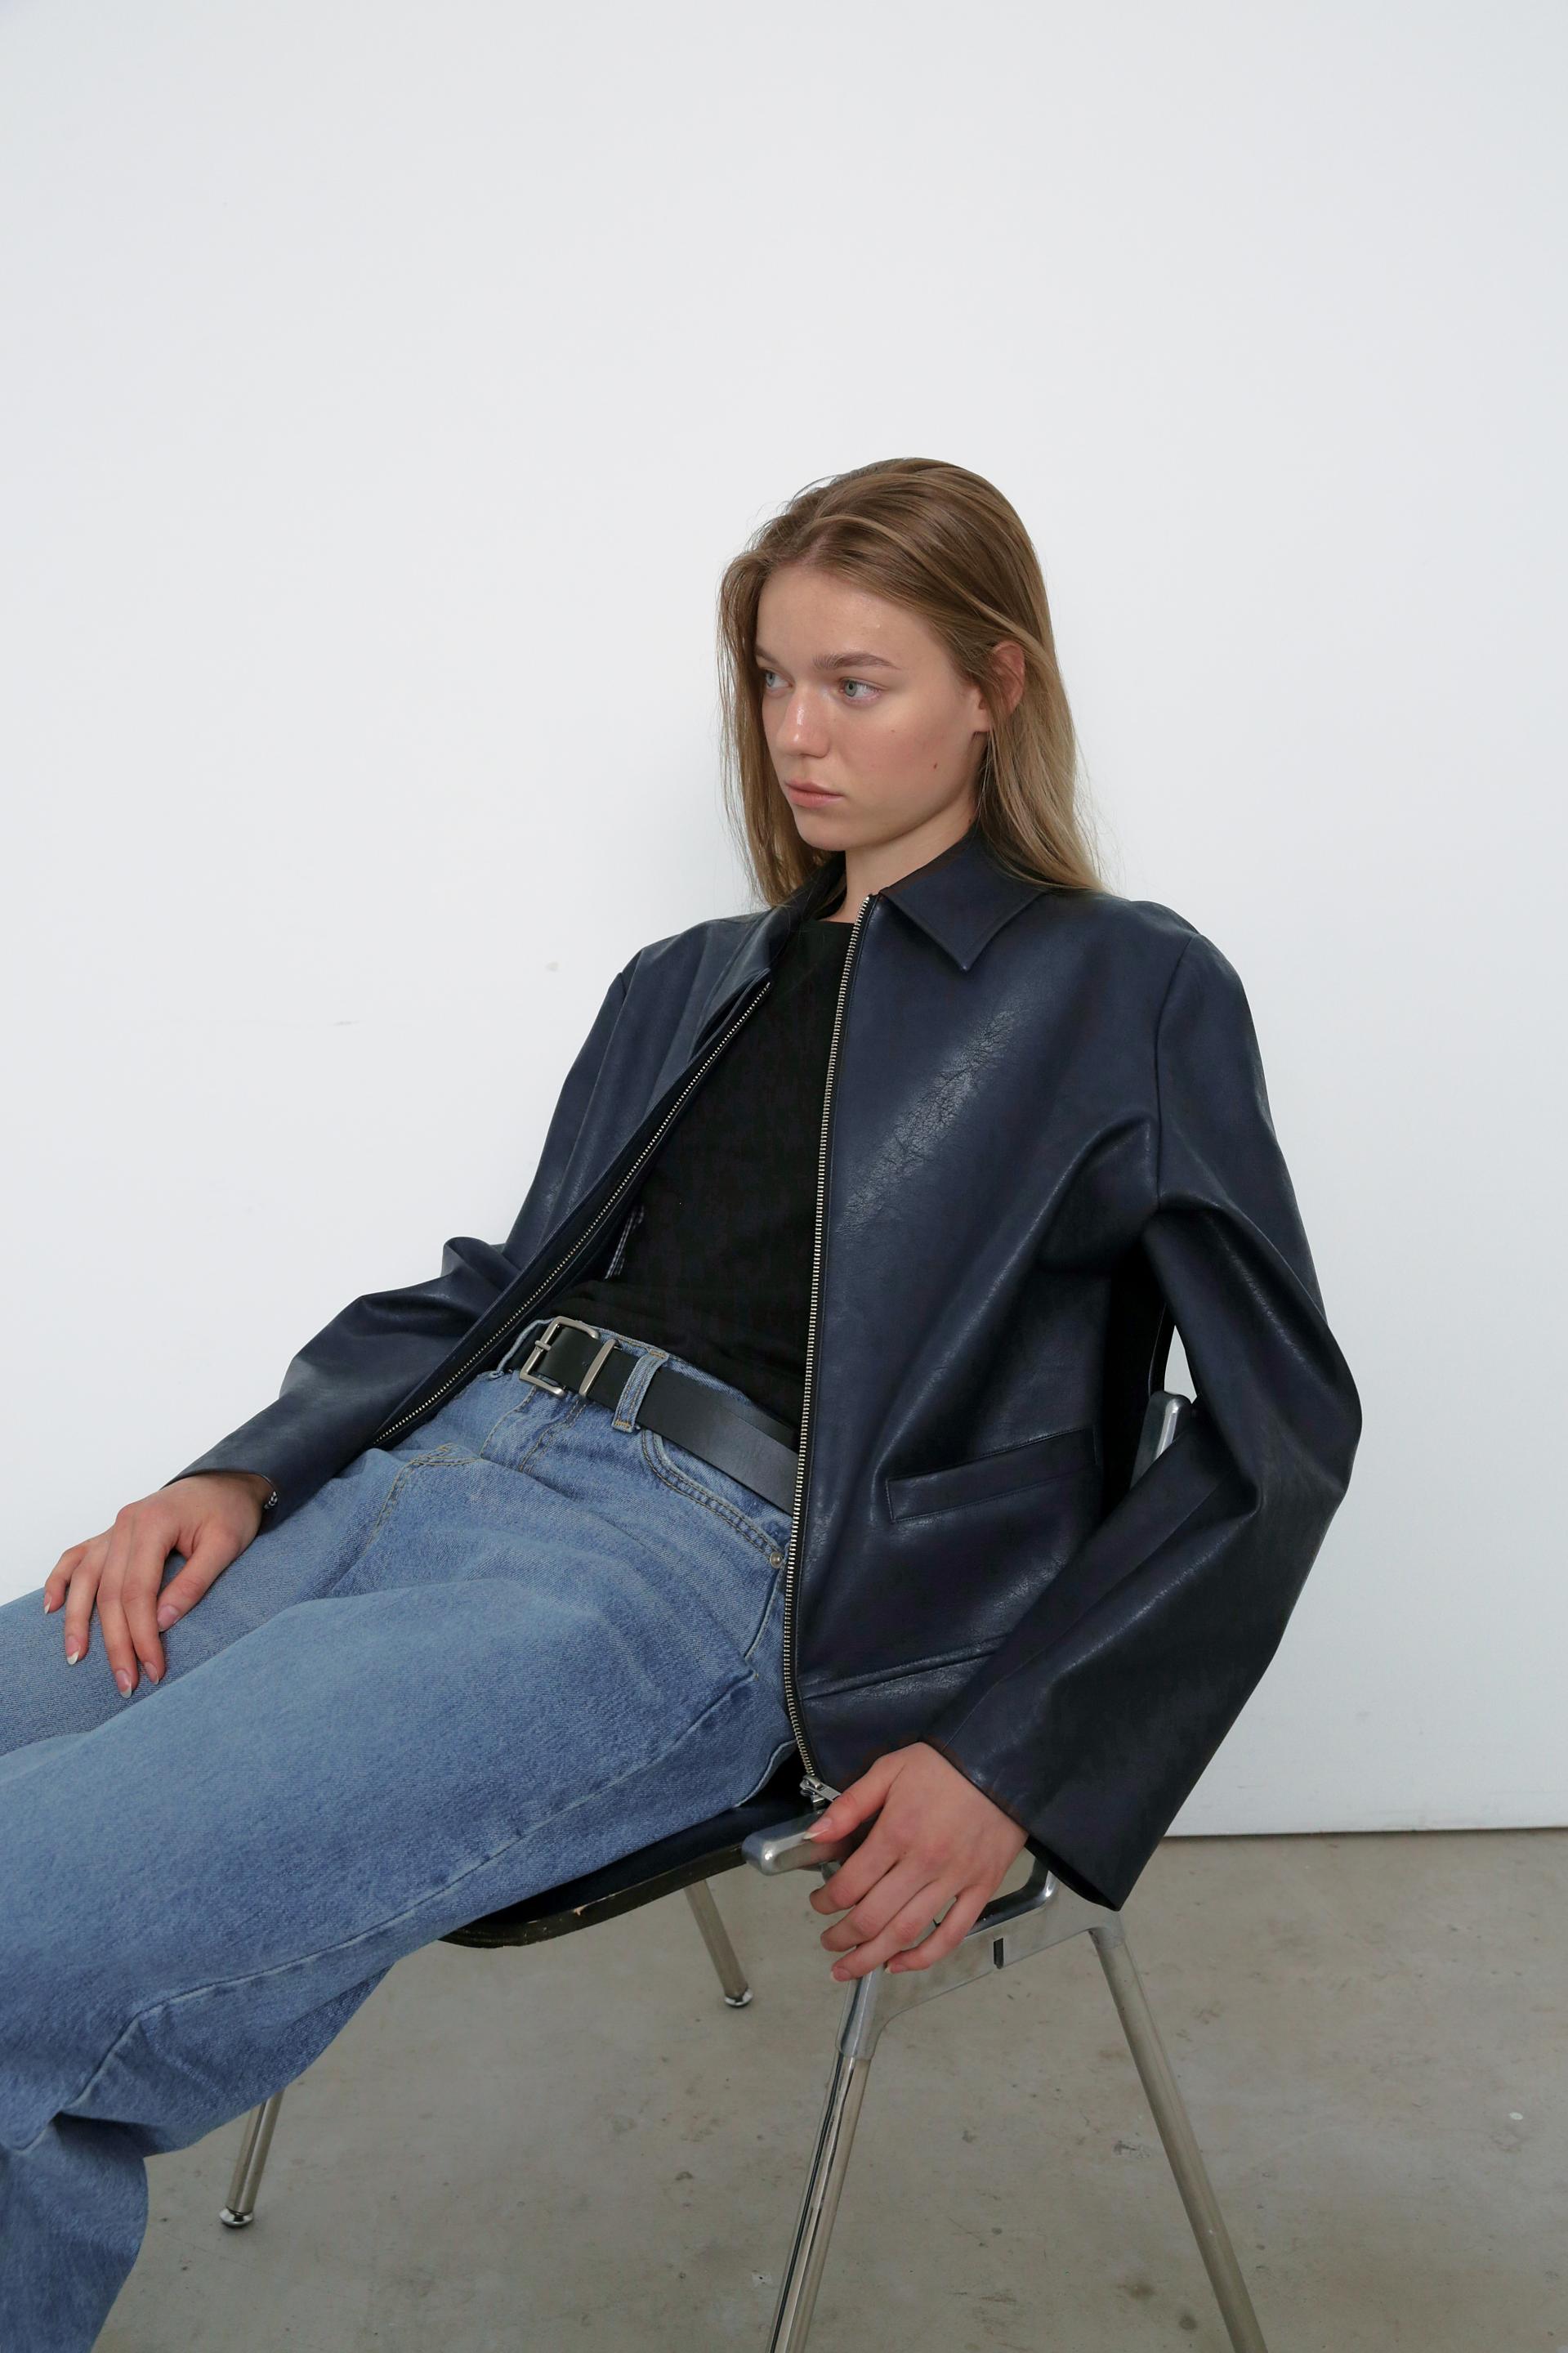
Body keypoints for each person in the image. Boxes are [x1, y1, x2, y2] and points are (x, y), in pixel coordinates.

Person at [0, 456, 1360, 2349]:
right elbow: (504, 1283)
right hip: (419, 1477)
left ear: (999, 686)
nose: (798, 733)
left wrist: (1016, 1753)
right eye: (773, 680)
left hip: (690, 1574)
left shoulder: (1122, 986)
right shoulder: (690, 982)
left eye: (857, 684)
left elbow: (1279, 1434)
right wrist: (240, 1473)